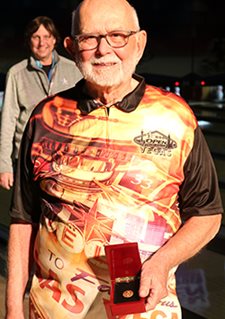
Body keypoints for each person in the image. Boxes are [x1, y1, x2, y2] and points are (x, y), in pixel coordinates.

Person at [5, 1, 223, 318]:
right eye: (89, 38)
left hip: (147, 310)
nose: (104, 50)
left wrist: (162, 262)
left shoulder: (176, 118)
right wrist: (13, 308)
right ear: (71, 46)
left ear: (140, 42)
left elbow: (208, 215)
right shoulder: (45, 118)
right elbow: (23, 219)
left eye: (117, 35)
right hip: (56, 309)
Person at [0, 15, 82, 190]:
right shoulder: (17, 73)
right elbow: (8, 121)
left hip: (65, 160)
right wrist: (4, 167)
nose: (41, 42)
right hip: (27, 159)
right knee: (26, 215)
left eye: (46, 37)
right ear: (29, 41)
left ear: (54, 40)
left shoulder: (74, 69)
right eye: (36, 37)